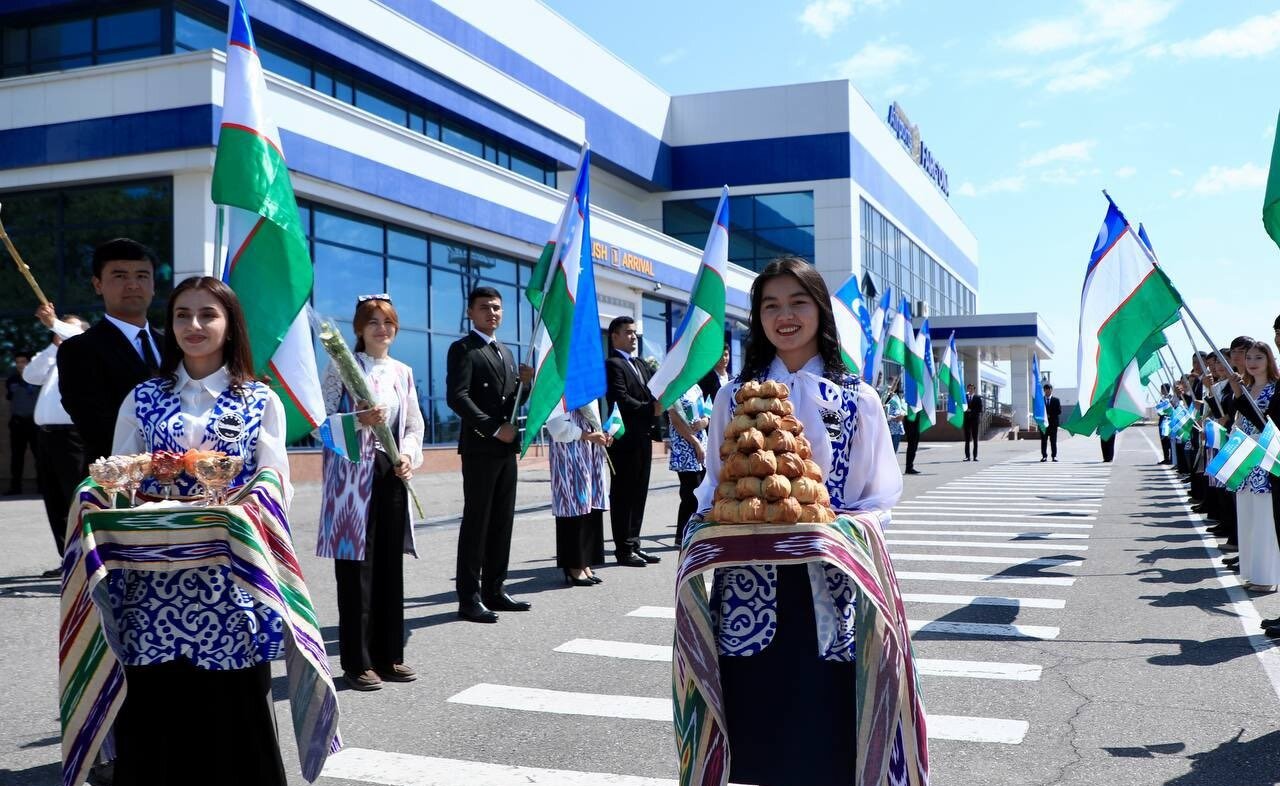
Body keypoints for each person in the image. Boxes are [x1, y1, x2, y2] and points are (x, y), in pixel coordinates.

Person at [687, 257, 904, 785]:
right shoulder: (733, 396)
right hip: (748, 585)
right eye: (771, 305)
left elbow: (879, 496)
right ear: (758, 318)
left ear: (820, 311)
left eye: (797, 302)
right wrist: (705, 529)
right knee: (757, 721)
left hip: (829, 584)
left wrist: (840, 531)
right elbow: (717, 485)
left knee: (825, 724)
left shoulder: (859, 398)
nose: (785, 316)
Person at [108, 276, 293, 784]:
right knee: (156, 706)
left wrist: (249, 506)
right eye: (182, 314)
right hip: (154, 583)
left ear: (230, 325)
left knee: (235, 710)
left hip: (227, 579)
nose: (194, 325)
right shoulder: (143, 396)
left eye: (208, 314)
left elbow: (275, 478)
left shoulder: (259, 399)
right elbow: (120, 472)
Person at [316, 295, 424, 691]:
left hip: (390, 473)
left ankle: (389, 654)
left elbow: (414, 424)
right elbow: (317, 422)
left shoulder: (403, 372)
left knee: (388, 568)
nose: (382, 328)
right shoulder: (341, 367)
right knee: (355, 571)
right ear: (359, 329)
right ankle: (357, 661)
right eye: (373, 322)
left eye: (388, 322)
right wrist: (358, 421)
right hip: (351, 479)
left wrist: (409, 456)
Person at [446, 286, 534, 623]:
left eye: (496, 308)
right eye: (484, 308)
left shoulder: (507, 353)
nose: (491, 313)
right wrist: (493, 428)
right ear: (471, 312)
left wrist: (526, 384)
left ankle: (495, 590)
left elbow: (512, 404)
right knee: (477, 522)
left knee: (502, 522)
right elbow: (458, 397)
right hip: (481, 447)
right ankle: (469, 598)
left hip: (505, 450)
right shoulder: (464, 349)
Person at [58, 238, 162, 470]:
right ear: (98, 285)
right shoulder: (79, 350)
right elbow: (96, 426)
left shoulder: (176, 345)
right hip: (118, 479)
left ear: (153, 285)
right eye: (120, 276)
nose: (133, 285)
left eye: (142, 276)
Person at [23, 306, 87, 573]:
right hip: (46, 436)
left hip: (72, 436)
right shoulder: (54, 356)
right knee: (54, 500)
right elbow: (29, 375)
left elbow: (80, 337)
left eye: (65, 326)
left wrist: (56, 324)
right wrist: (53, 346)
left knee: (75, 498)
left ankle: (86, 557)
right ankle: (68, 559)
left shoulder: (87, 352)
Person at [604, 315, 663, 567]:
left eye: (634, 332)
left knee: (639, 493)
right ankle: (623, 549)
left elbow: (653, 390)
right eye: (627, 332)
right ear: (614, 336)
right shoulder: (613, 364)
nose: (633, 337)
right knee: (623, 494)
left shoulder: (640, 363)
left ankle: (635, 544)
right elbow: (620, 398)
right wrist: (651, 409)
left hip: (643, 438)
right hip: (624, 439)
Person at [1224, 341, 1280, 594]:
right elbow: (1239, 424)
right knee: (1246, 517)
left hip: (1266, 459)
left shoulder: (1275, 389)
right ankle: (1252, 572)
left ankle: (1268, 576)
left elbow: (1264, 424)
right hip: (1244, 458)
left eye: (1259, 357)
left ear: (1269, 360)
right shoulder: (1244, 388)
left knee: (1265, 520)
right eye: (1249, 358)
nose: (1253, 362)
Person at [545, 407, 610, 586]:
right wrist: (587, 435)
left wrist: (602, 432)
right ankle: (573, 564)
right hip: (568, 450)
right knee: (572, 504)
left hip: (589, 448)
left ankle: (585, 561)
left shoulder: (585, 381)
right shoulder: (557, 380)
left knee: (590, 505)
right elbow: (555, 425)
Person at [668, 383, 709, 545]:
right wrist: (695, 442)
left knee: (701, 492)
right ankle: (682, 536)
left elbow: (705, 412)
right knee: (689, 493)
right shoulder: (673, 388)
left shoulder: (696, 387)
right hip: (685, 447)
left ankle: (696, 532)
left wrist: (703, 422)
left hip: (701, 445)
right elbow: (675, 421)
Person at [5, 350, 37, 495]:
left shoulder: (37, 379)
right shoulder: (11, 380)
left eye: (23, 362)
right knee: (16, 457)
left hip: (34, 423)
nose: (20, 365)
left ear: (29, 363)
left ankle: (42, 486)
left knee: (40, 456)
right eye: (18, 362)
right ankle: (15, 487)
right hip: (17, 422)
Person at [885, 376, 906, 453]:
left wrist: (902, 415)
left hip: (897, 428)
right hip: (888, 427)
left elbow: (903, 408)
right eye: (892, 383)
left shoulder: (898, 396)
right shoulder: (884, 396)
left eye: (895, 383)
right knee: (888, 453)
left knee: (894, 451)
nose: (893, 385)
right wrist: (892, 418)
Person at [1041, 383, 1061, 462]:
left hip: (1053, 424)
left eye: (1049, 390)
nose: (1047, 391)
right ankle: (1044, 456)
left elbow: (1059, 411)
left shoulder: (1056, 400)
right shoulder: (1041, 400)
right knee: (1044, 441)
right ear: (1044, 390)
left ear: (1051, 390)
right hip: (1044, 425)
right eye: (1046, 390)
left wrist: (1050, 415)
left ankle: (1054, 456)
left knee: (1053, 441)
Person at [963, 382, 982, 461]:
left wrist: (971, 411)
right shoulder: (964, 397)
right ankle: (967, 456)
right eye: (969, 388)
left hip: (974, 421)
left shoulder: (977, 398)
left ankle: (975, 456)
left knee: (975, 439)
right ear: (967, 389)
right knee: (967, 439)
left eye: (972, 388)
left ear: (974, 390)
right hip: (967, 420)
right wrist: (965, 410)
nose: (971, 390)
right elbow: (961, 406)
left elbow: (980, 409)